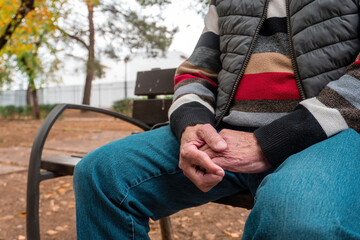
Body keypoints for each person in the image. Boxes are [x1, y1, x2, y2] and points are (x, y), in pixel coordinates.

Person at [73, 0, 360, 239]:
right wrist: (191, 124)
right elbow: (197, 71)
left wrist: (269, 142)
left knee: (294, 218)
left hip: (328, 135)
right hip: (226, 137)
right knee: (101, 175)